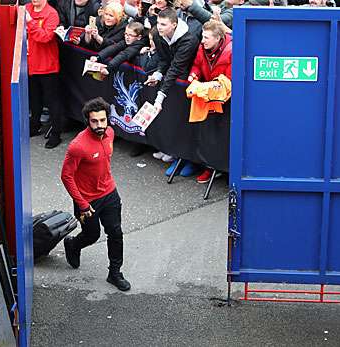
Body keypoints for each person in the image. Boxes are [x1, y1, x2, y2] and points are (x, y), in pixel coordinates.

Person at [61, 97, 131, 291]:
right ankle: (73, 245)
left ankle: (115, 273)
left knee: (115, 232)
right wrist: (82, 204)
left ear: (107, 119)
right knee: (92, 235)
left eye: (102, 120)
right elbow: (66, 176)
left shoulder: (110, 133)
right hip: (87, 201)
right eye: (94, 121)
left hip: (109, 193)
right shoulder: (77, 146)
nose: (99, 125)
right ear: (87, 121)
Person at [144, 8, 199, 173]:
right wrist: (158, 74)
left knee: (187, 124)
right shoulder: (159, 36)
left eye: (163, 24)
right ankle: (175, 155)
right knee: (174, 121)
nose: (159, 27)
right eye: (158, 23)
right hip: (172, 83)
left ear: (174, 25)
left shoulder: (188, 40)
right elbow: (164, 60)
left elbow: (176, 68)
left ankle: (189, 161)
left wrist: (159, 97)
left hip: (189, 84)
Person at [187, 20, 232, 183]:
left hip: (225, 100)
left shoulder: (231, 50)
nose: (202, 41)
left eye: (206, 37)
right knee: (208, 136)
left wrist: (209, 87)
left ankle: (225, 170)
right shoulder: (202, 48)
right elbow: (197, 65)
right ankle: (209, 166)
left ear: (218, 38)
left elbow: (229, 79)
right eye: (202, 36)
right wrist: (193, 76)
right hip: (206, 96)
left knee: (223, 136)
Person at [27, 0, 65, 148]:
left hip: (47, 65)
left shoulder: (51, 14)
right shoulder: (27, 8)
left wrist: (30, 22)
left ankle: (56, 134)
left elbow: (45, 37)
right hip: (31, 64)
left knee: (52, 101)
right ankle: (34, 126)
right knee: (34, 99)